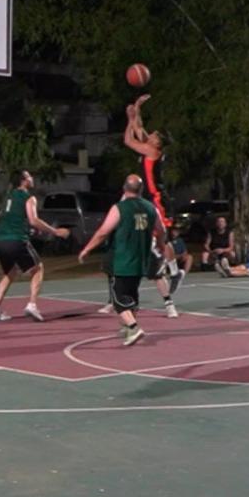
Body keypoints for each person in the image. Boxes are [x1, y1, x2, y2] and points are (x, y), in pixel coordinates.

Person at [80, 174, 166, 346]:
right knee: (132, 295)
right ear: (141, 190)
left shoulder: (120, 208)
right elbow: (161, 230)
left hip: (122, 259)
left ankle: (133, 327)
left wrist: (87, 249)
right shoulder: (151, 208)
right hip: (140, 259)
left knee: (119, 299)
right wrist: (162, 246)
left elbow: (103, 232)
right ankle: (129, 329)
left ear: (124, 189)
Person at [0, 170, 69, 322]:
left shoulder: (9, 195)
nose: (32, 178)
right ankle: (32, 305)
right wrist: (55, 231)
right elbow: (33, 220)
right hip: (16, 238)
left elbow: (6, 215)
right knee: (38, 269)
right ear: (24, 180)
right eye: (29, 176)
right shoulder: (28, 197)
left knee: (10, 273)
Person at [124, 94, 171, 228]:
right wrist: (137, 106)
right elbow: (138, 127)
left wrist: (130, 119)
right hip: (145, 195)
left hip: (155, 196)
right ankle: (144, 247)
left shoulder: (152, 151)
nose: (150, 135)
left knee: (161, 230)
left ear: (158, 143)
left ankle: (168, 248)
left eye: (154, 136)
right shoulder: (150, 147)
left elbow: (128, 140)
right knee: (142, 228)